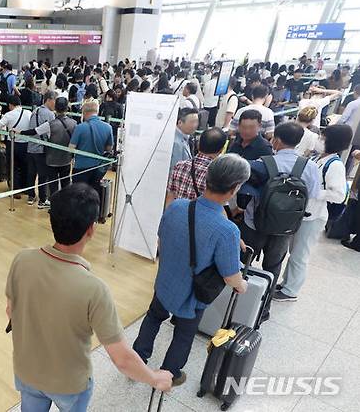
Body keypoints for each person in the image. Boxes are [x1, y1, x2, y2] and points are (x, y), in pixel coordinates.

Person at [6, 183, 173, 411]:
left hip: (26, 371)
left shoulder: (22, 259)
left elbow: (11, 311)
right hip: (69, 384)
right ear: (91, 229)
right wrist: (155, 378)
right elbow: (121, 358)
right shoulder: (94, 289)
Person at [133, 154, 250, 385]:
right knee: (184, 334)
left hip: (165, 282)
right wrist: (242, 285)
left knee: (154, 317)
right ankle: (170, 373)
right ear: (234, 188)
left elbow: (161, 241)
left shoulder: (177, 206)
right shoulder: (227, 231)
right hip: (191, 296)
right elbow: (230, 276)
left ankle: (136, 360)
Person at [239, 122, 321, 321]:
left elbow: (244, 192)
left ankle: (236, 303)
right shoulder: (309, 167)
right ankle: (263, 310)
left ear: (276, 140)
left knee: (243, 263)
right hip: (285, 228)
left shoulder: (262, 163)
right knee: (273, 267)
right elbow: (314, 194)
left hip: (255, 224)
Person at [276, 124, 353, 302]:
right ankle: (287, 283)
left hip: (314, 216)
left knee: (300, 254)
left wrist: (315, 192)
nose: (320, 140)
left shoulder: (335, 166)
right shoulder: (320, 158)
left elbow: (339, 195)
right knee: (294, 251)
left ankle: (290, 290)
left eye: (323, 138)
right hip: (305, 213)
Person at [19, 97, 77, 197]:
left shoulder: (50, 124)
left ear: (55, 108)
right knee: (66, 182)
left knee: (53, 184)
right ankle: (66, 206)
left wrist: (19, 132)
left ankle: (54, 205)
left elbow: (34, 131)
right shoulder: (74, 123)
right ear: (67, 108)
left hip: (52, 160)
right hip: (66, 159)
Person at [166, 127, 227, 207]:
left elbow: (170, 196)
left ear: (198, 145)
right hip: (199, 218)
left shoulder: (179, 166)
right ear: (221, 150)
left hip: (176, 216)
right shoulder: (217, 174)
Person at [69, 100, 113, 190]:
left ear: (84, 112)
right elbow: (109, 148)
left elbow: (71, 148)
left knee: (78, 196)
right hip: (98, 169)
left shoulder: (80, 127)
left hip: (80, 168)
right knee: (93, 194)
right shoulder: (108, 127)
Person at [0, 95, 31, 199]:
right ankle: (25, 187)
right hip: (26, 143)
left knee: (13, 166)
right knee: (25, 166)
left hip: (13, 144)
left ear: (10, 105)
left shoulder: (8, 115)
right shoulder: (28, 113)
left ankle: (16, 190)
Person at [27, 91, 57, 208]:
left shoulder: (35, 111)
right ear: (49, 100)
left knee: (31, 173)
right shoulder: (50, 114)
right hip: (42, 148)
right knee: (42, 175)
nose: (55, 103)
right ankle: (42, 200)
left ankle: (31, 196)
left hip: (31, 146)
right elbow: (51, 132)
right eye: (54, 100)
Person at [170, 108, 199, 173]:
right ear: (180, 123)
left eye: (196, 121)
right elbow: (176, 170)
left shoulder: (186, 136)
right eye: (192, 122)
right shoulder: (176, 143)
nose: (195, 125)